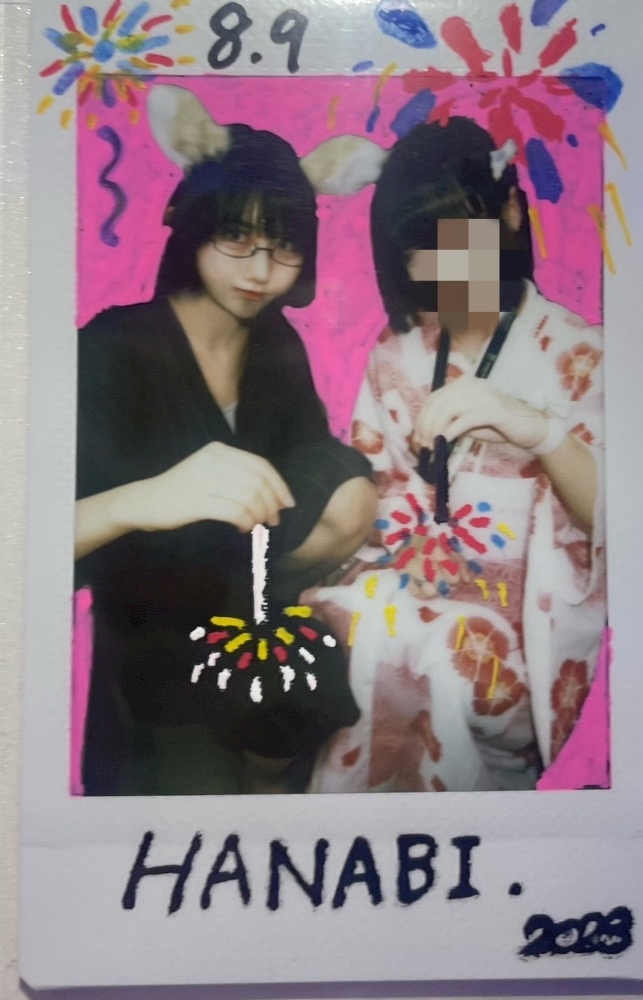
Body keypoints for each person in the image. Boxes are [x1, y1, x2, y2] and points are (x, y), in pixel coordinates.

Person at [75, 85, 376, 795]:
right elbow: (28, 548)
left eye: (284, 246)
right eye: (235, 235)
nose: (260, 270)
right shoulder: (112, 347)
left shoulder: (278, 348)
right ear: (192, 223)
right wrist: (144, 500)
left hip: (255, 650)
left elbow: (311, 493)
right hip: (152, 669)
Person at [304, 118, 606, 793]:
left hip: (525, 626)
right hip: (412, 589)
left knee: (443, 656)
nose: (448, 270)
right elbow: (378, 491)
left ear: (509, 211)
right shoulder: (396, 355)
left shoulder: (583, 354)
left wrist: (538, 431)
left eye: (462, 240)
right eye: (424, 252)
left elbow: (619, 522)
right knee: (368, 629)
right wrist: (407, 546)